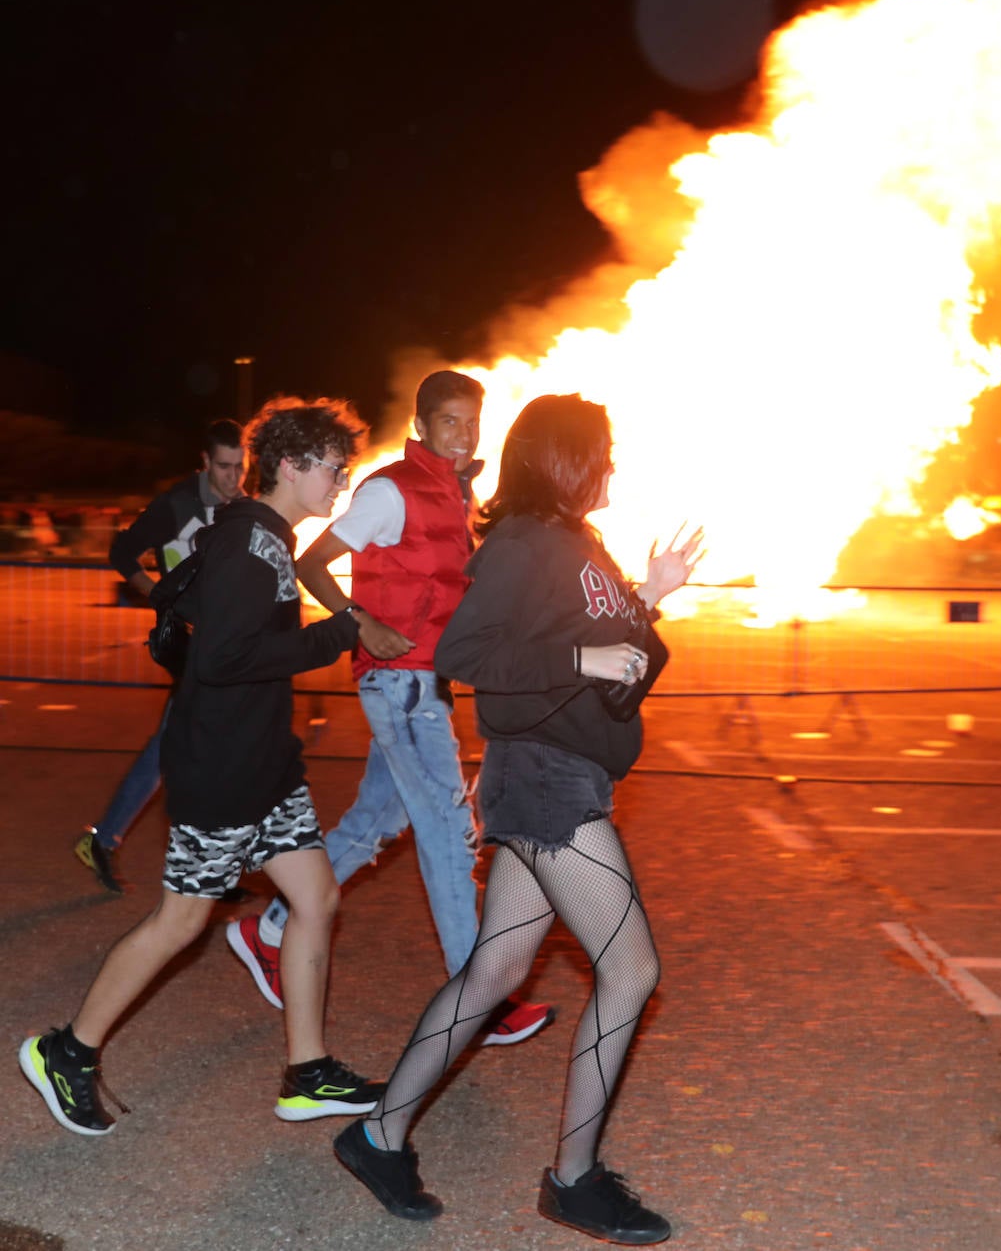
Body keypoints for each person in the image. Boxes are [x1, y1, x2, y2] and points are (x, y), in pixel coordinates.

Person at [332, 393, 702, 1245]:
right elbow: (464, 653)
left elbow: (608, 655)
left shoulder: (583, 548)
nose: (611, 465)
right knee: (632, 972)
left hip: (565, 773)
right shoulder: (522, 542)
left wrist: (647, 594)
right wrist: (583, 652)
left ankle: (378, 1135)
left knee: (493, 974)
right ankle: (574, 1180)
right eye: (600, 451)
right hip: (543, 781)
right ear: (565, 457)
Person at [20, 396, 389, 1136]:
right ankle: (67, 1051)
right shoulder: (250, 547)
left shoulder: (269, 542)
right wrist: (334, 637)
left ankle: (307, 1072)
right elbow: (222, 659)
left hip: (262, 765)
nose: (340, 484)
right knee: (180, 920)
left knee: (315, 899)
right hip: (220, 769)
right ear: (289, 466)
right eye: (332, 469)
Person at [225, 371, 552, 1047]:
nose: (463, 436)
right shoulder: (388, 489)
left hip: (425, 681)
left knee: (378, 819)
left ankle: (271, 929)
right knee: (447, 830)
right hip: (400, 682)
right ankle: (478, 992)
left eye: (472, 423)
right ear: (424, 425)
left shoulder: (452, 493)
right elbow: (314, 562)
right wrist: (360, 622)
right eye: (451, 422)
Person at [73, 418, 248, 894]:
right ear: (206, 463)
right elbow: (122, 552)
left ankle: (107, 841)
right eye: (225, 467)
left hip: (223, 641)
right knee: (200, 747)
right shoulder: (175, 505)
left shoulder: (241, 506)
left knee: (177, 748)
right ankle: (209, 863)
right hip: (187, 643)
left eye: (241, 467)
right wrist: (160, 595)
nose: (234, 478)